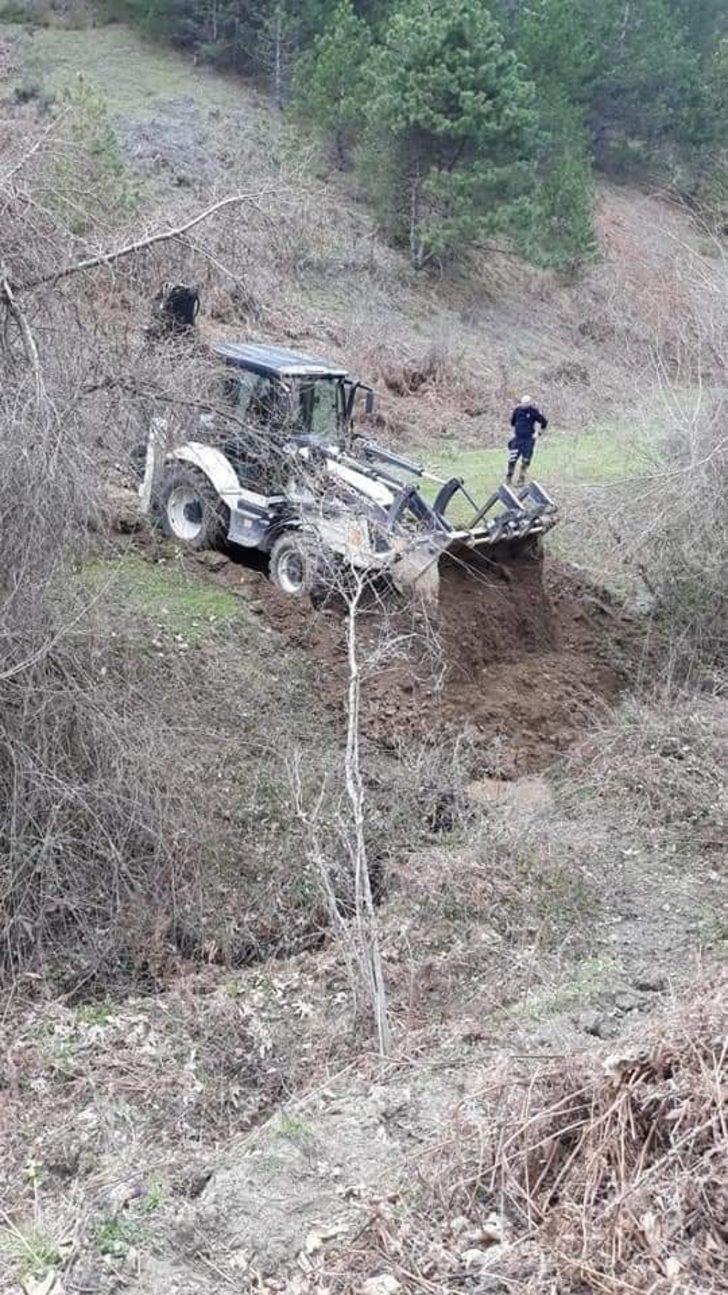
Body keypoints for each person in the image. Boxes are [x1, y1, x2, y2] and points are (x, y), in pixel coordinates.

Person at [506, 395, 548, 486]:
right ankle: (509, 478)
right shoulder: (517, 411)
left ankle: (521, 479)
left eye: (525, 403)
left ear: (529, 403)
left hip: (528, 439)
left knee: (526, 460)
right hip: (517, 439)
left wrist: (538, 433)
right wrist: (513, 433)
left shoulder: (533, 411)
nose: (523, 405)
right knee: (512, 459)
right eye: (522, 403)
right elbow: (512, 423)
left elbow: (544, 421)